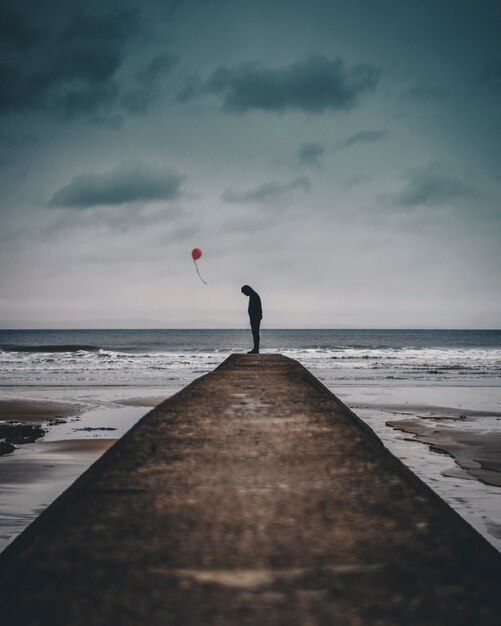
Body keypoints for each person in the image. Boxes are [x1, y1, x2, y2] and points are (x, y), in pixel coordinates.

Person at [241, 285, 262, 354]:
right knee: (255, 333)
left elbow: (257, 308)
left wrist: (254, 317)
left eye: (244, 292)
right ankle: (256, 348)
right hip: (254, 318)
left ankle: (256, 349)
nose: (244, 294)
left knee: (255, 333)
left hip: (255, 318)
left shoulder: (254, 296)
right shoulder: (253, 296)